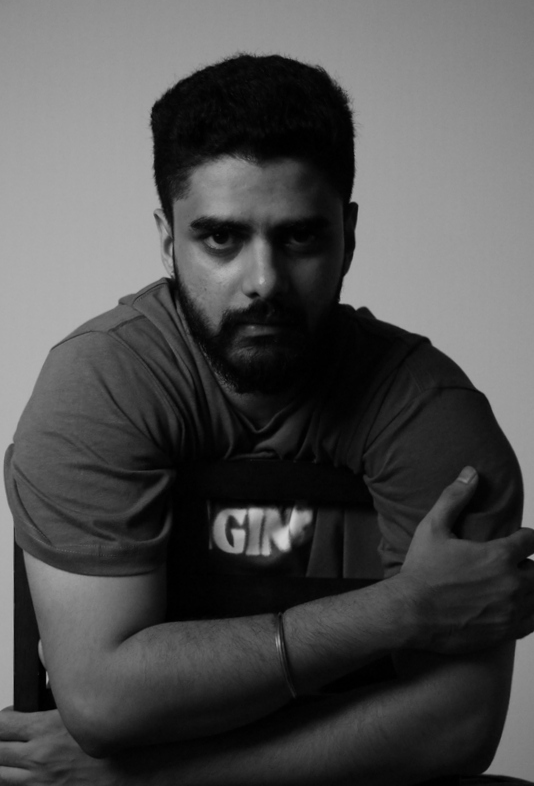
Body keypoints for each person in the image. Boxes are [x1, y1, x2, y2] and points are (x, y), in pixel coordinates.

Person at [2, 53, 534, 786]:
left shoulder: (432, 412)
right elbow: (103, 704)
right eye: (221, 238)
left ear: (348, 234)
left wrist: (144, 777)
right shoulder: (96, 387)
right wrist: (401, 609)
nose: (263, 282)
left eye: (299, 237)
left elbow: (456, 730)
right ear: (168, 239)